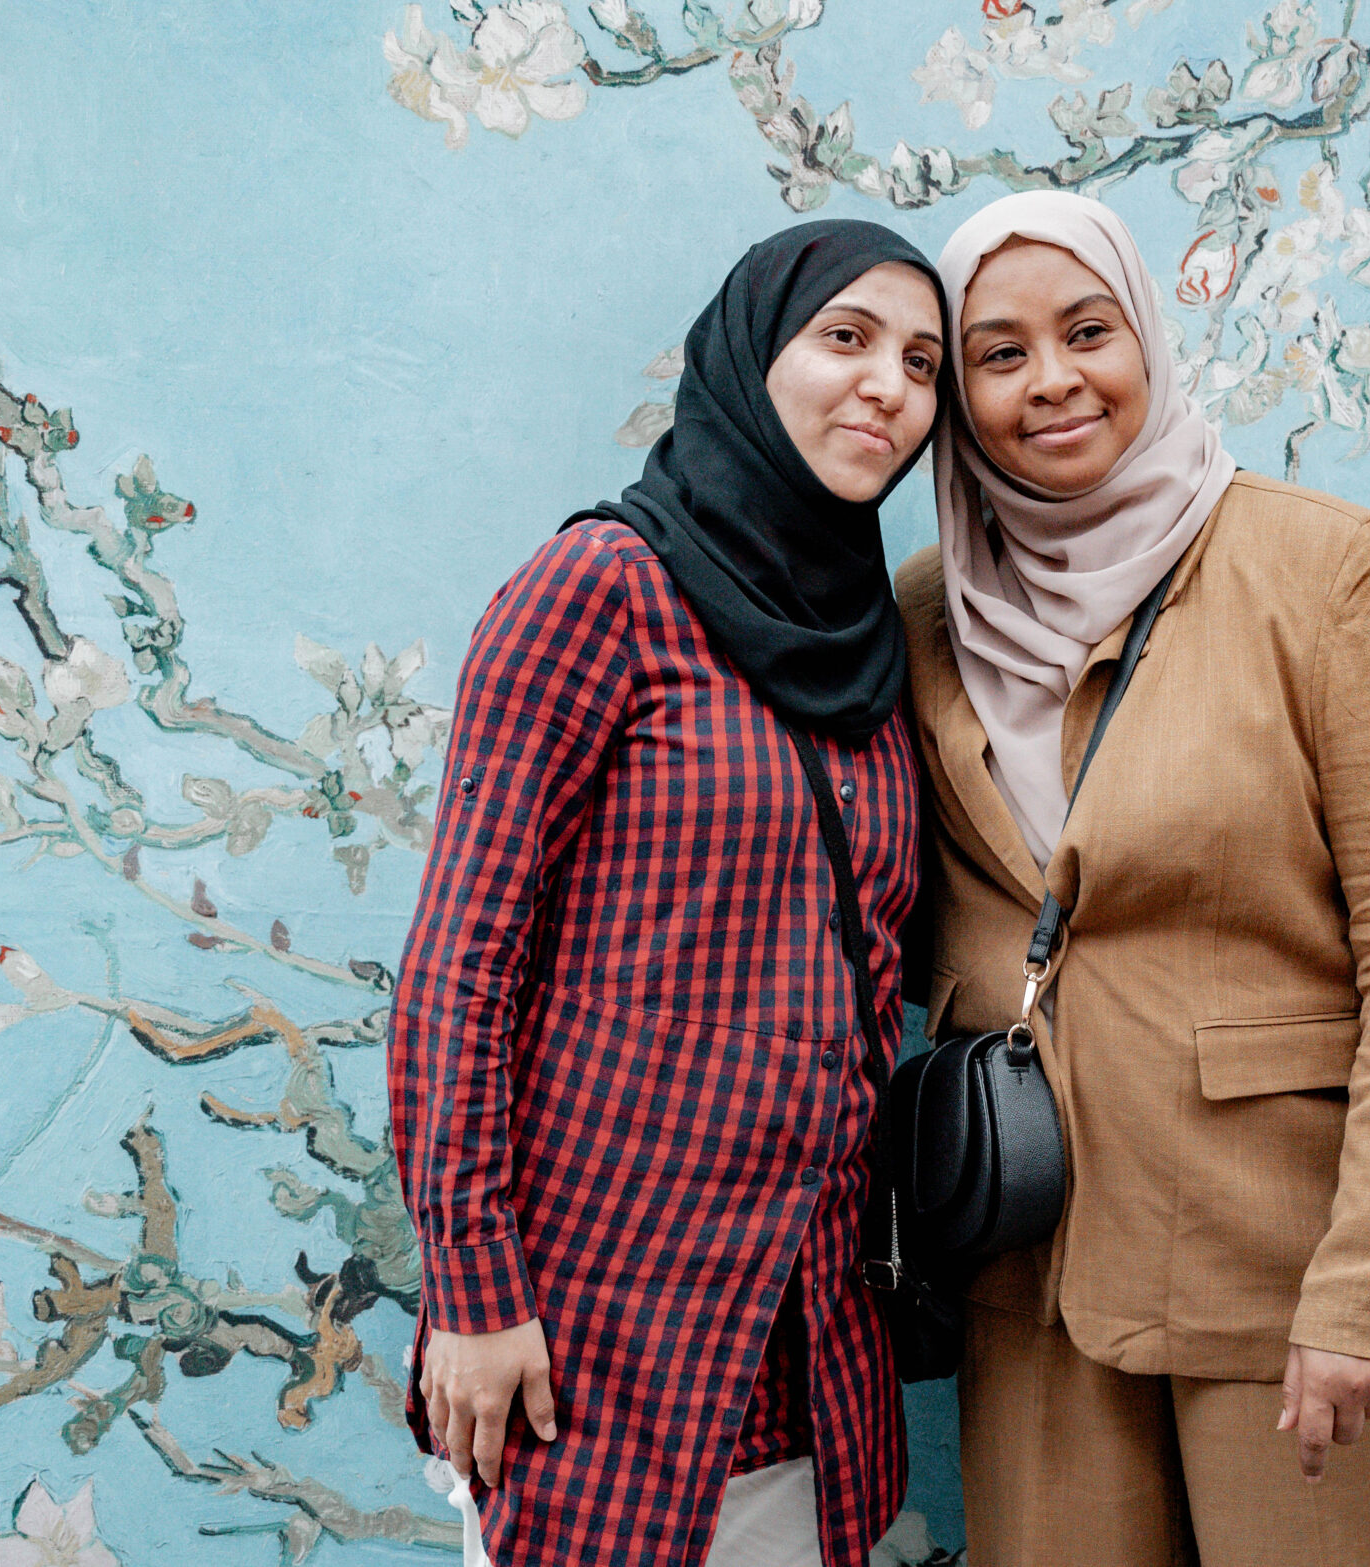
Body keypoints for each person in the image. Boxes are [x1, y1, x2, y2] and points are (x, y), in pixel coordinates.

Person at [896, 191, 1370, 1567]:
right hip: (1031, 1281)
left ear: (1148, 342)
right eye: (998, 354)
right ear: (960, 399)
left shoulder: (1326, 573)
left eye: (1088, 332)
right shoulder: (929, 615)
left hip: (1285, 1268)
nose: (1052, 380)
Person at [390, 220, 952, 1567]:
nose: (887, 385)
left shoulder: (871, 653)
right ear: (753, 358)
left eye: (923, 363)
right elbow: (463, 964)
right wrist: (471, 1290)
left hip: (812, 1343)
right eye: (848, 337)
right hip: (601, 1328)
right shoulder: (603, 590)